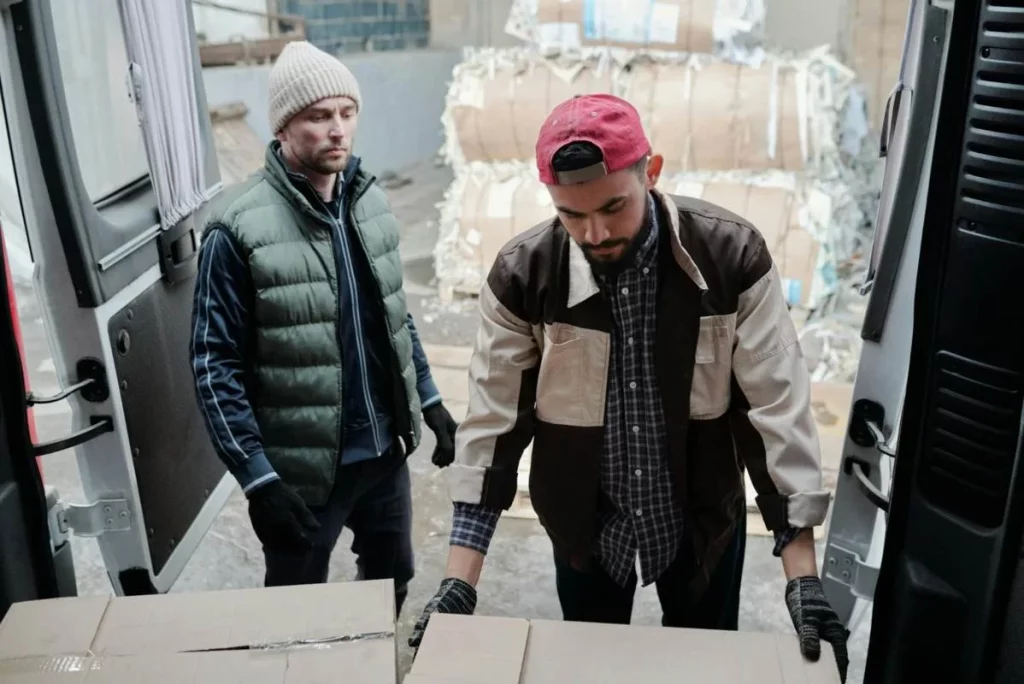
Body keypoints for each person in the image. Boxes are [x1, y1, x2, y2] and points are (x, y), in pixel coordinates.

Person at [410, 93, 850, 680]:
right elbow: (494, 423)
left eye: (614, 207)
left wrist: (803, 578)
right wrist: (458, 583)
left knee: (704, 667)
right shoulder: (523, 276)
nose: (594, 233)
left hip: (700, 524)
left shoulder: (730, 258)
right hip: (586, 530)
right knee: (593, 666)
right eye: (571, 215)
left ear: (652, 172)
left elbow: (775, 408)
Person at [189, 41, 458, 615]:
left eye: (346, 112)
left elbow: (394, 314)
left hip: (384, 453)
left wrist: (428, 399)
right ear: (284, 127)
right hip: (305, 471)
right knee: (293, 608)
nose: (337, 130)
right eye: (318, 116)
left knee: (390, 583)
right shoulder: (236, 230)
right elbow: (215, 367)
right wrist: (259, 480)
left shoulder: (370, 202)